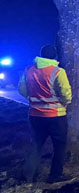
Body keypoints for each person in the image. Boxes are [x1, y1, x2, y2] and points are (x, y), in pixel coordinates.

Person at [18, 45, 72, 183]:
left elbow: (22, 90)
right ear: (55, 56)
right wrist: (65, 103)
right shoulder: (58, 71)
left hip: (35, 115)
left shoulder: (28, 70)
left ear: (41, 55)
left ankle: (29, 175)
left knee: (36, 144)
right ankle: (55, 175)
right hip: (56, 115)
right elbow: (65, 92)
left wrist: (32, 99)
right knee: (59, 146)